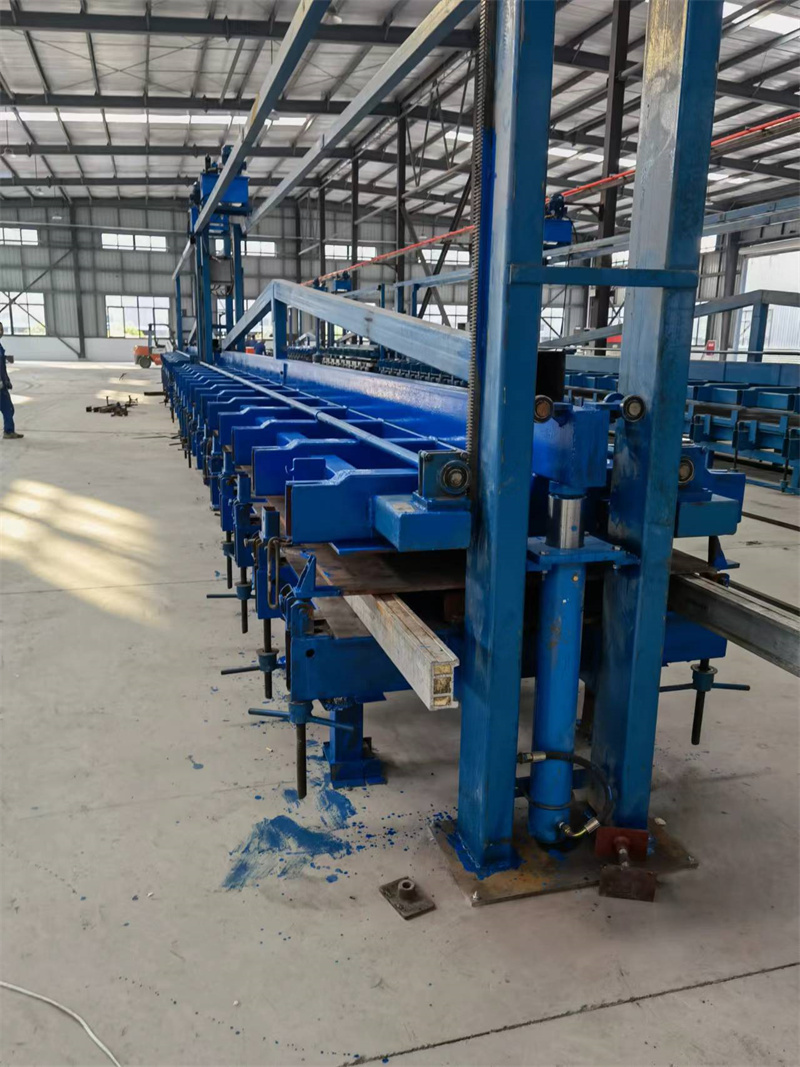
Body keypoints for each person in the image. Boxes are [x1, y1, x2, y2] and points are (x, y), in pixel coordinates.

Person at [0, 322, 23, 440]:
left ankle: (9, 431)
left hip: (2, 383)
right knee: (8, 408)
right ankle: (8, 431)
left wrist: (6, 380)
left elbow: (2, 366)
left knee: (8, 408)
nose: (1, 332)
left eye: (1, 329)